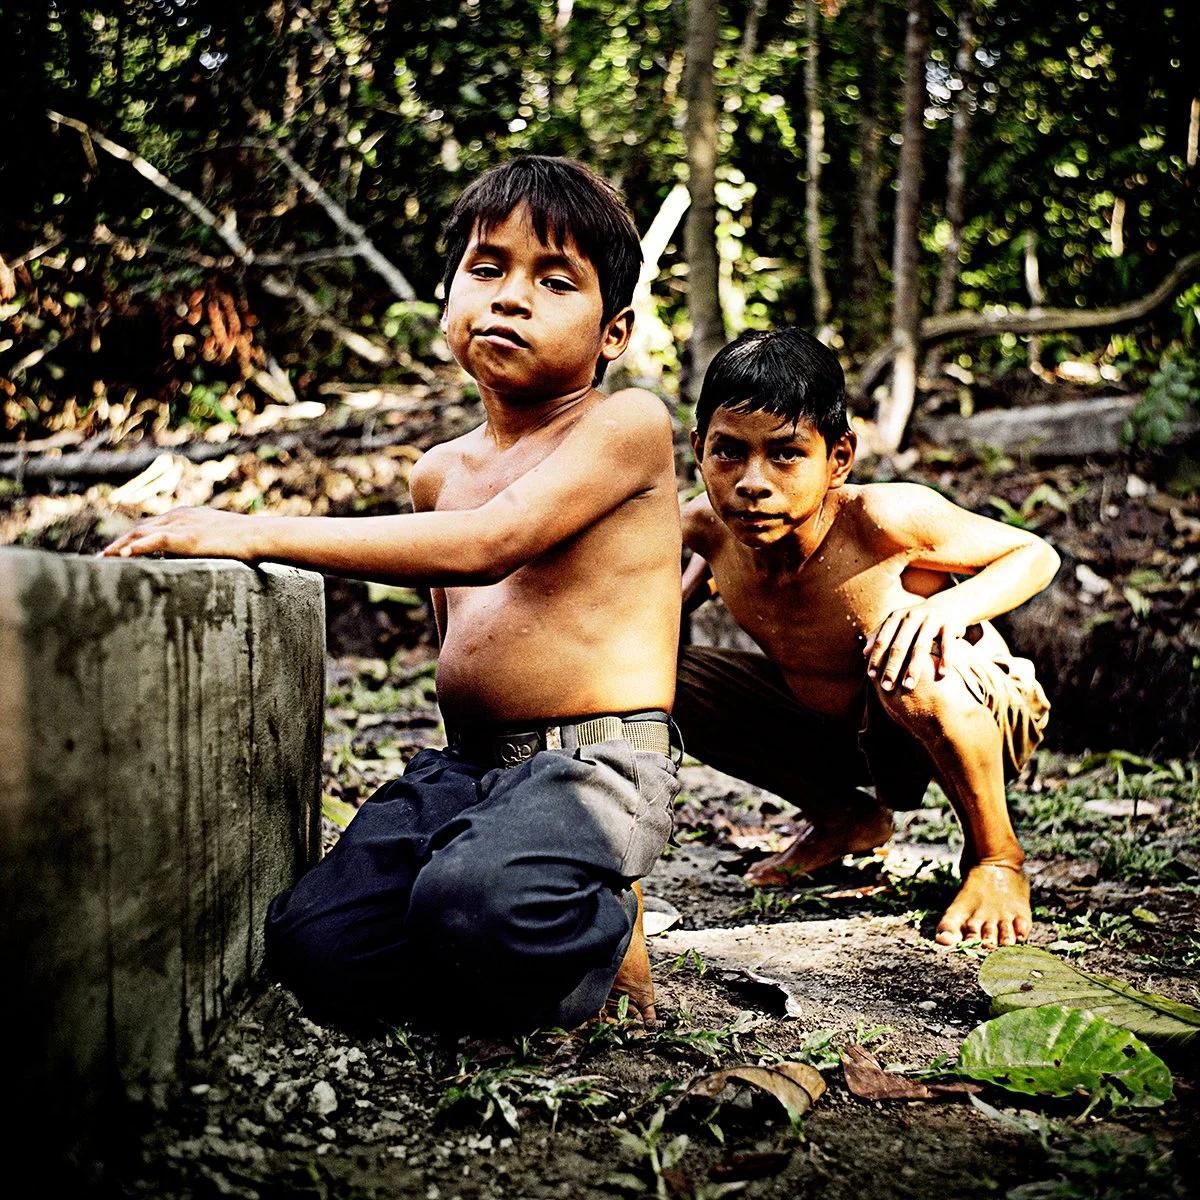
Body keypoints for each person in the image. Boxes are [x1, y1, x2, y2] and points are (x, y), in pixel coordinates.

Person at [103, 156, 682, 1031]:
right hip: (473, 764)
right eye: (487, 269)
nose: (511, 296)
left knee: (473, 901)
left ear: (614, 333)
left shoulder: (625, 424)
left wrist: (251, 528)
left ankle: (600, 924)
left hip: (594, 765)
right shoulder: (438, 473)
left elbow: (490, 547)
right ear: (448, 294)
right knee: (316, 946)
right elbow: (455, 614)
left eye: (555, 280)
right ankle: (496, 912)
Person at [677, 327, 1059, 948]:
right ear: (699, 449)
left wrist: (947, 610)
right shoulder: (705, 528)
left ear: (839, 457)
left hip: (964, 709)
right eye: (729, 453)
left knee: (909, 658)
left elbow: (1033, 554)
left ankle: (997, 858)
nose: (752, 480)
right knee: (658, 672)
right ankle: (843, 816)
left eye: (785, 454)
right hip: (833, 726)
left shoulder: (884, 519)